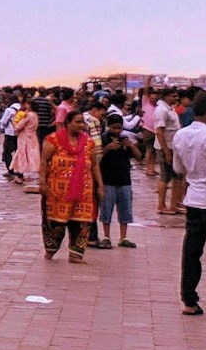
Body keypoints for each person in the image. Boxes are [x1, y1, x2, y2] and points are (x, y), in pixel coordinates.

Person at [40, 110, 100, 262]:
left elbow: (94, 166)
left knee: (80, 222)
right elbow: (43, 162)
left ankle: (75, 254)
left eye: (82, 122)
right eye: (78, 122)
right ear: (68, 123)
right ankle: (51, 250)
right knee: (56, 223)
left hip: (83, 191)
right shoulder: (53, 140)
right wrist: (42, 182)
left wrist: (100, 186)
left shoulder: (88, 143)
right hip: (57, 192)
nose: (81, 125)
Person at [172, 94, 206, 316]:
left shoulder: (180, 135)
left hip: (194, 198)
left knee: (192, 252)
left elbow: (178, 169)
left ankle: (189, 300)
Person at [94, 113, 141, 250]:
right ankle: (106, 236)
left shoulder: (125, 140)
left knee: (125, 209)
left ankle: (123, 237)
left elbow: (139, 156)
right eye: (114, 128)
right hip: (108, 179)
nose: (117, 131)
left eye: (119, 128)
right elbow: (96, 159)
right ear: (109, 126)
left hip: (124, 179)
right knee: (106, 209)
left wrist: (131, 146)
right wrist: (107, 149)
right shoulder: (103, 139)